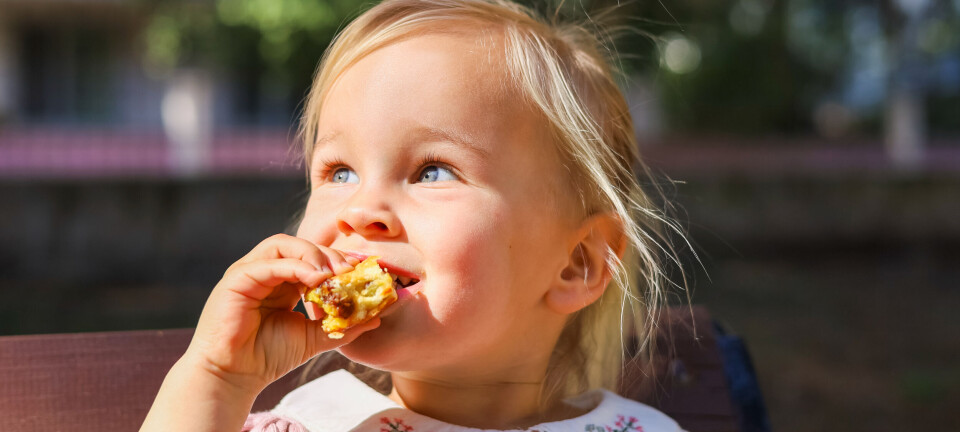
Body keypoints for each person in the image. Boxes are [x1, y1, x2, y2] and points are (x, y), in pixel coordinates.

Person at [141, 1, 689, 430]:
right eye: (339, 172)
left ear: (578, 263)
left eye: (433, 171)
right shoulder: (313, 424)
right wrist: (218, 378)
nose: (361, 211)